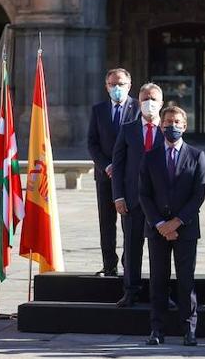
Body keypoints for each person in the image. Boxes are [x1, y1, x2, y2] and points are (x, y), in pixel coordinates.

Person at [139, 106, 205, 347]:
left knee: (186, 280)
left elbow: (199, 194)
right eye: (168, 122)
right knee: (158, 280)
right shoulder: (150, 156)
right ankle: (157, 330)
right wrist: (160, 224)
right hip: (157, 230)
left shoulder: (197, 156)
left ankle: (189, 330)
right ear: (161, 125)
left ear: (185, 126)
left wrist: (176, 222)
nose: (172, 126)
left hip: (185, 229)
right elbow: (144, 194)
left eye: (177, 122)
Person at [110, 83, 164, 307]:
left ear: (161, 103)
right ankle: (131, 290)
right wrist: (118, 196)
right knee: (131, 246)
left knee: (160, 250)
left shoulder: (169, 128)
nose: (148, 103)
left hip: (162, 202)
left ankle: (160, 293)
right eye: (144, 99)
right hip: (132, 200)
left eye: (152, 99)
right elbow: (118, 164)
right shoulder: (129, 128)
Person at [88, 68, 135, 278]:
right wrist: (106, 165)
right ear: (106, 87)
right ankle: (109, 265)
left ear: (129, 85)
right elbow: (92, 143)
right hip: (105, 175)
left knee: (130, 222)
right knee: (106, 222)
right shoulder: (99, 110)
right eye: (112, 84)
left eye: (121, 84)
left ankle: (129, 263)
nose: (117, 88)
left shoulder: (138, 108)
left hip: (130, 176)